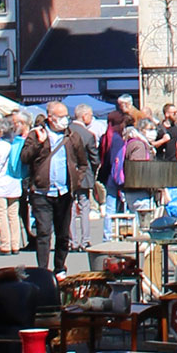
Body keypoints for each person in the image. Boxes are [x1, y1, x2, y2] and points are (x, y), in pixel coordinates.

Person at [21, 101, 92, 275]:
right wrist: (39, 143)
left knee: (63, 234)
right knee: (44, 233)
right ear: (50, 117)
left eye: (66, 116)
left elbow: (83, 162)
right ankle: (43, 271)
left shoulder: (72, 136)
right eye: (61, 117)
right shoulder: (36, 134)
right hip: (41, 192)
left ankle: (60, 267)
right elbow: (25, 158)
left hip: (64, 192)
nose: (64, 120)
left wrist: (76, 180)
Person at [0, 116, 28, 254]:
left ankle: (5, 244)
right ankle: (15, 244)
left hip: (1, 183)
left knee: (2, 214)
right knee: (13, 215)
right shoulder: (16, 145)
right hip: (15, 182)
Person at [68, 104, 102, 248]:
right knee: (84, 206)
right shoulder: (88, 135)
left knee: (70, 207)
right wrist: (92, 172)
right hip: (84, 174)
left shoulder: (66, 132)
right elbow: (94, 158)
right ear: (84, 116)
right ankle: (85, 240)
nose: (91, 118)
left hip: (69, 174)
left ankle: (72, 241)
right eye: (90, 115)